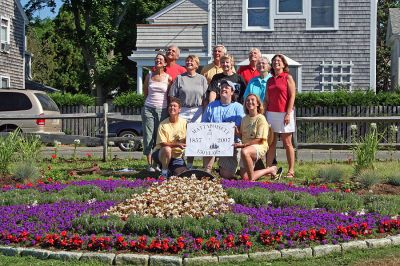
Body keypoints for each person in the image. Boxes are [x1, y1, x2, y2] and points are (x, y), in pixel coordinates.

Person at [169, 55, 208, 169]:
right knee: (180, 137)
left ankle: (190, 165)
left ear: (197, 64)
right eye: (187, 61)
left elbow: (205, 98)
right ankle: (178, 164)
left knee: (193, 139)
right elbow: (173, 96)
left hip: (197, 110)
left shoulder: (202, 79)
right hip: (183, 110)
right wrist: (176, 111)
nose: (189, 62)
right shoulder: (179, 78)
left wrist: (204, 113)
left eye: (192, 61)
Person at [202, 80, 245, 179]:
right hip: (212, 141)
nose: (223, 89)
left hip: (230, 144)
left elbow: (239, 128)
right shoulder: (211, 106)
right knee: (207, 174)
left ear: (232, 92)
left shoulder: (238, 107)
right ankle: (207, 170)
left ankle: (221, 168)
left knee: (227, 175)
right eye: (222, 87)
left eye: (227, 87)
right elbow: (204, 125)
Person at [234, 94, 281, 181]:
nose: (249, 102)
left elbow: (260, 140)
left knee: (244, 152)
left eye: (252, 100)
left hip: (259, 146)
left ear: (258, 104)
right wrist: (237, 133)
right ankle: (270, 169)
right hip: (247, 147)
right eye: (247, 100)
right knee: (245, 178)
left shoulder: (261, 118)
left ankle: (251, 180)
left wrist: (243, 145)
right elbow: (243, 136)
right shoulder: (244, 119)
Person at [264, 54, 296, 178]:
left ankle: (291, 170)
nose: (276, 62)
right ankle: (268, 169)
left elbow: (292, 96)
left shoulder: (288, 77)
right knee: (271, 143)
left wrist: (288, 113)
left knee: (287, 143)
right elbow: (266, 98)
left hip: (284, 114)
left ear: (283, 64)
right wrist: (263, 113)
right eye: (274, 61)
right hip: (271, 114)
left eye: (279, 60)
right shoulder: (270, 80)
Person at [142, 53, 172, 172]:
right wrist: (148, 105)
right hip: (148, 108)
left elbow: (169, 95)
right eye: (156, 59)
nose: (158, 61)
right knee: (148, 136)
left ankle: (157, 163)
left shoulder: (168, 78)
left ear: (165, 63)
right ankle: (149, 165)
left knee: (159, 137)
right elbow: (145, 93)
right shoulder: (149, 76)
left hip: (163, 109)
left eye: (160, 59)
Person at [152, 97, 188, 177]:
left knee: (181, 174)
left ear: (179, 109)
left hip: (177, 156)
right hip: (161, 152)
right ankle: (164, 172)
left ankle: (169, 169)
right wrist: (177, 144)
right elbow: (162, 144)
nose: (172, 108)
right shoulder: (162, 124)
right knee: (167, 149)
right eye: (170, 106)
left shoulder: (185, 123)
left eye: (175, 106)